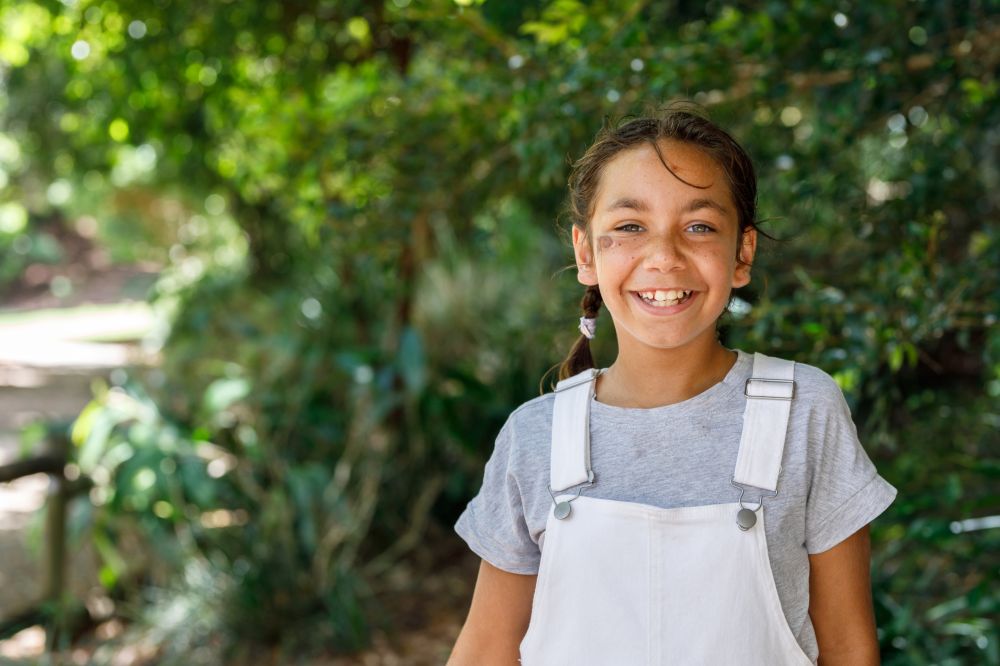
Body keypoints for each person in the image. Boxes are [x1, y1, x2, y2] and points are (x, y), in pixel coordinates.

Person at [447, 107, 897, 665]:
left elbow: (850, 650)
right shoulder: (535, 436)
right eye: (630, 227)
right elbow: (487, 652)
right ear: (586, 253)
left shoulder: (804, 411)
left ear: (743, 253)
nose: (664, 257)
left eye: (700, 227)